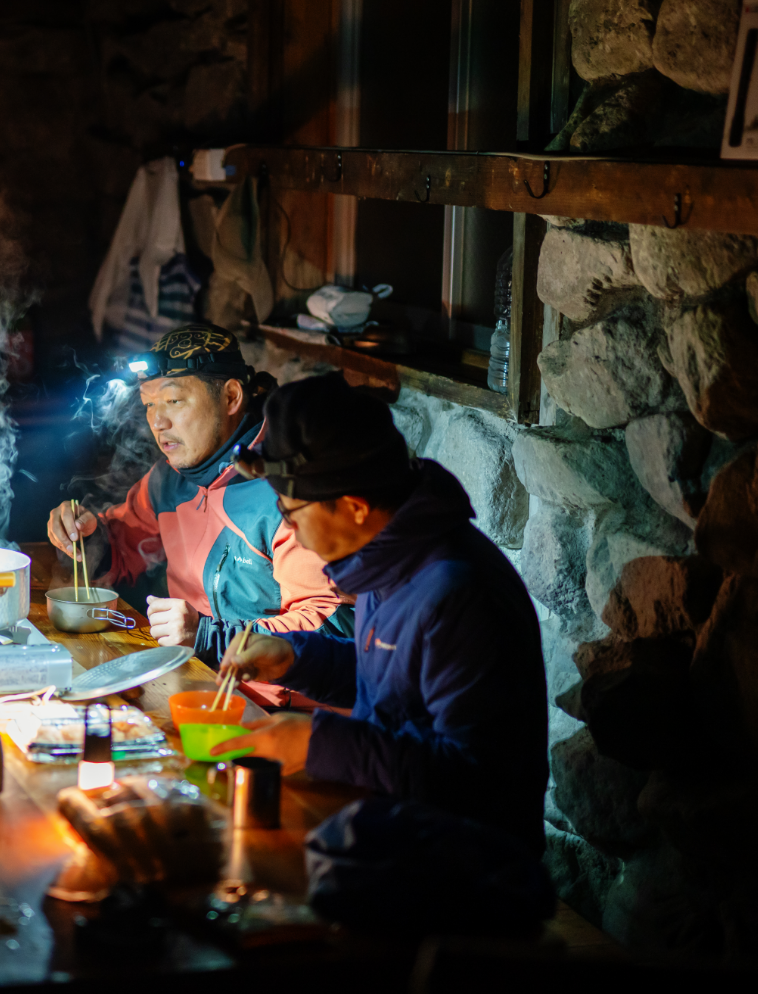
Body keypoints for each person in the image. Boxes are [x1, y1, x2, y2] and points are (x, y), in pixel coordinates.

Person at [216, 372, 548, 852]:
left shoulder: (458, 593)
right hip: (389, 831)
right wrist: (297, 659)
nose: (291, 530)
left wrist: (317, 743)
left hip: (463, 876)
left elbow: (476, 782)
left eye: (292, 514)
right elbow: (395, 688)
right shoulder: (387, 554)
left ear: (352, 506)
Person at [46, 323, 351, 665]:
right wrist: (87, 539)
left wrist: (208, 637)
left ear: (231, 397)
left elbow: (334, 632)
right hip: (194, 675)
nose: (157, 422)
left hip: (272, 706)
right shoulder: (169, 480)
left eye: (174, 400)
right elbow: (123, 546)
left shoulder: (290, 491)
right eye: (149, 404)